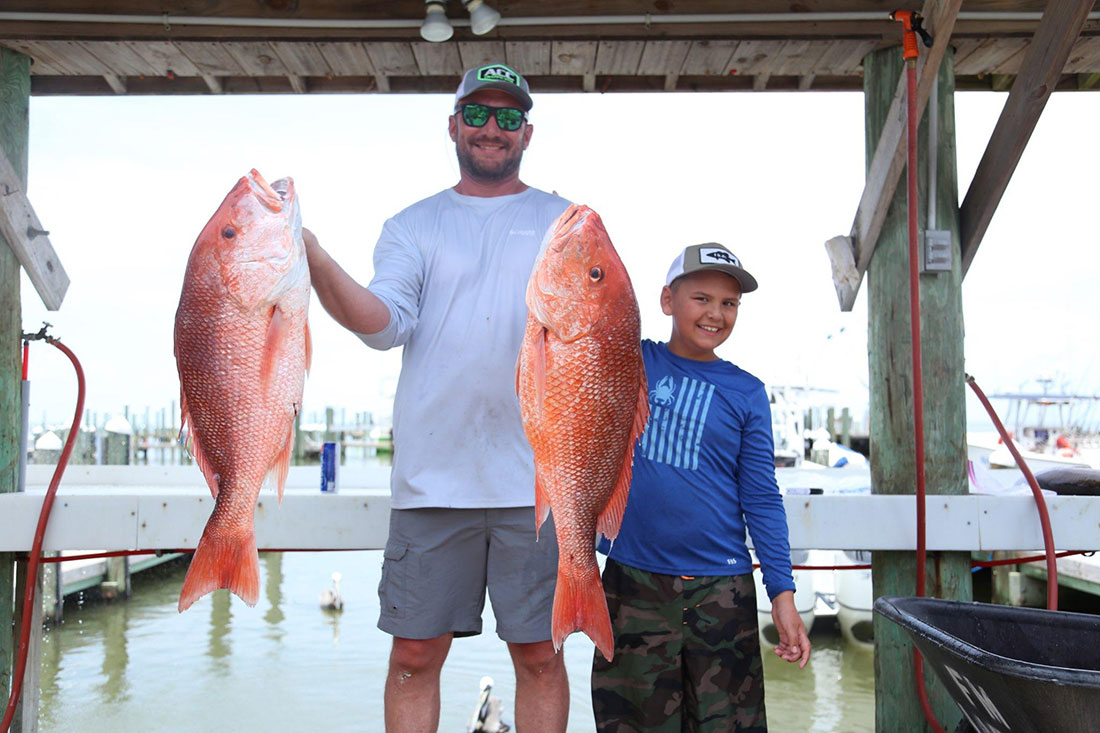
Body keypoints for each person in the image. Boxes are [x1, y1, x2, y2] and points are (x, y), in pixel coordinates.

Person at [302, 63, 572, 732]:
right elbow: (383, 322)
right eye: (477, 113)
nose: (491, 128)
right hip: (431, 486)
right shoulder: (412, 225)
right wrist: (312, 256)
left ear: (527, 134)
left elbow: (598, 338)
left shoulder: (565, 221)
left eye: (508, 117)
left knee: (541, 654)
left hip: (538, 485)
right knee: (414, 655)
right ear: (452, 124)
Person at [592, 243, 811, 732]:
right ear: (667, 301)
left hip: (721, 591)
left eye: (729, 303)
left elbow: (761, 497)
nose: (716, 313)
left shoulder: (747, 392)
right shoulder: (629, 359)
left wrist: (782, 592)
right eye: (702, 299)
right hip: (633, 583)